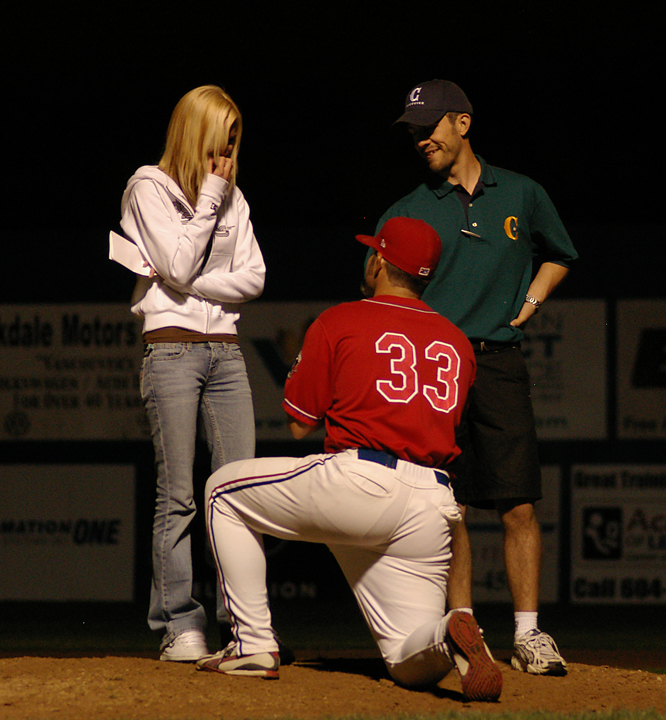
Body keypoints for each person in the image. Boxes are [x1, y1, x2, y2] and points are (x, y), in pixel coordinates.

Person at [195, 217, 503, 703]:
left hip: (360, 480)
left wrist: (303, 356)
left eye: (372, 252)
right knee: (407, 663)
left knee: (222, 491)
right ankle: (449, 630)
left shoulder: (341, 320)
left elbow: (300, 422)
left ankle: (252, 644)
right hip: (431, 504)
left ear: (380, 260)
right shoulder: (459, 344)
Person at [376, 79, 578, 676]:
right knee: (450, 507)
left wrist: (534, 302)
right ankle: (465, 630)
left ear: (462, 124)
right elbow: (380, 290)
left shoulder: (521, 192)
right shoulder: (407, 209)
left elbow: (560, 253)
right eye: (412, 130)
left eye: (429, 125)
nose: (420, 139)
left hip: (498, 360)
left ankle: (529, 634)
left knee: (517, 504)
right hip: (435, 366)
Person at [117, 85, 265, 661]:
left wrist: (188, 285)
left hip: (226, 352)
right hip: (171, 350)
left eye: (235, 139)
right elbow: (176, 260)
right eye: (222, 137)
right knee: (178, 493)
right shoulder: (145, 185)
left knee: (237, 494)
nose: (228, 150)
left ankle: (245, 626)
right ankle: (180, 624)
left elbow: (254, 278)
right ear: (195, 130)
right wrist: (207, 198)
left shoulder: (237, 198)